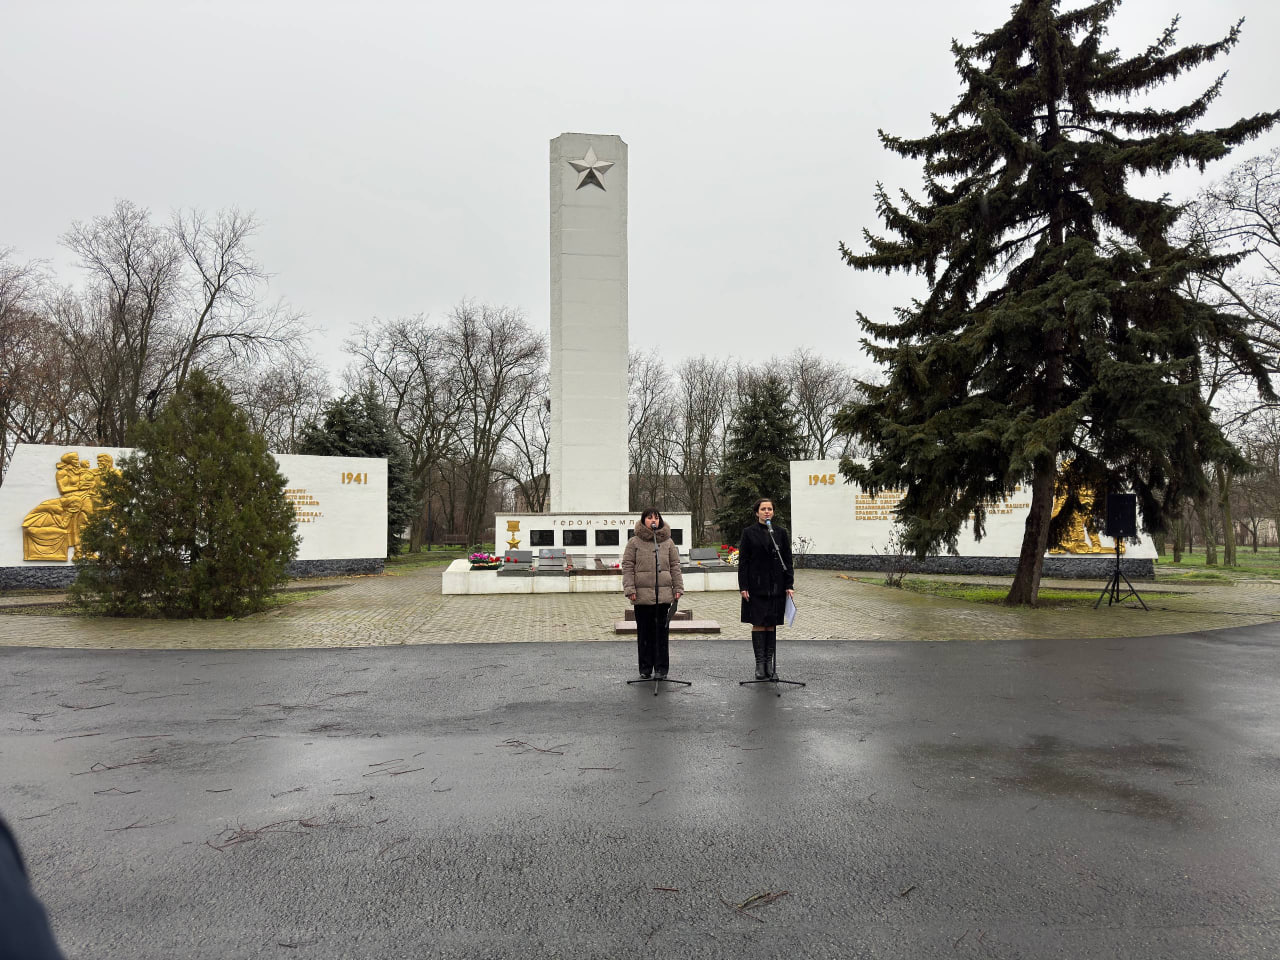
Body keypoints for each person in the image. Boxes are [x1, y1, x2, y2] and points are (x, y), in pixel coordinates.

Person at [622, 508, 684, 680]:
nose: (653, 520)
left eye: (656, 517)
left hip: (663, 596)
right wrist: (630, 589)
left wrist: (678, 588)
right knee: (645, 633)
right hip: (641, 597)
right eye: (649, 518)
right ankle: (645, 668)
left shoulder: (668, 542)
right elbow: (627, 566)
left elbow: (674, 566)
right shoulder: (634, 542)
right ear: (643, 521)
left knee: (661, 634)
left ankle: (661, 669)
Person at [737, 497, 794, 679]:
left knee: (771, 624)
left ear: (773, 512)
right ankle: (760, 664)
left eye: (770, 509)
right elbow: (743, 561)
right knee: (759, 623)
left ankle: (770, 664)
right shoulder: (749, 533)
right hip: (756, 586)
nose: (767, 511)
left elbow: (787, 560)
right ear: (757, 512)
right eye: (763, 509)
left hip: (776, 586)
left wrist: (789, 585)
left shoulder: (780, 532)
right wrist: (743, 586)